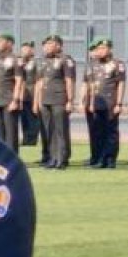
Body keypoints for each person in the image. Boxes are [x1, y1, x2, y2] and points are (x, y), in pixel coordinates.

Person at [34, 34, 75, 169]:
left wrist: (70, 100)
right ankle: (52, 157)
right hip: (45, 99)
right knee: (49, 130)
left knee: (60, 129)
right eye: (45, 45)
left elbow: (69, 81)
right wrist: (38, 101)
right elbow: (40, 82)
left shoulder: (65, 60)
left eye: (50, 44)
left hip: (59, 98)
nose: (46, 47)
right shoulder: (43, 61)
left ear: (58, 45)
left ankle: (62, 158)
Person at [83, 39, 125, 168]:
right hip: (97, 103)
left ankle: (110, 158)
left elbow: (121, 84)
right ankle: (101, 158)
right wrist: (89, 103)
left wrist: (119, 103)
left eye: (103, 48)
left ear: (109, 49)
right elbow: (90, 85)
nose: (100, 51)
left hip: (110, 102)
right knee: (98, 131)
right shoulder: (93, 65)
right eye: (98, 48)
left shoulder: (117, 64)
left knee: (111, 131)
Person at [0, 34, 23, 152]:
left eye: (1, 41)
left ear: (10, 43)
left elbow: (19, 80)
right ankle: (1, 157)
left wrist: (15, 100)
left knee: (10, 132)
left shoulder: (16, 59)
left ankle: (12, 157)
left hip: (8, 99)